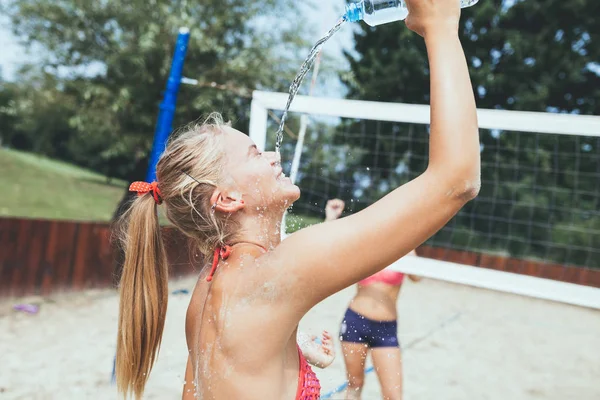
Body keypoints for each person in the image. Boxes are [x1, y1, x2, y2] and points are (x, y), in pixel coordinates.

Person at [115, 0, 480, 398]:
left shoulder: (209, 288)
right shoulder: (278, 271)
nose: (273, 155)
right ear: (228, 199)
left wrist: (286, 345)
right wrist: (441, 25)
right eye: (255, 153)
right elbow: (456, 180)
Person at [325, 199, 421, 400]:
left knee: (393, 396)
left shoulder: (405, 248)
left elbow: (418, 276)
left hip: (386, 329)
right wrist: (331, 218)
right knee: (355, 384)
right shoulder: (367, 244)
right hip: (356, 321)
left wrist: (410, 243)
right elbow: (330, 250)